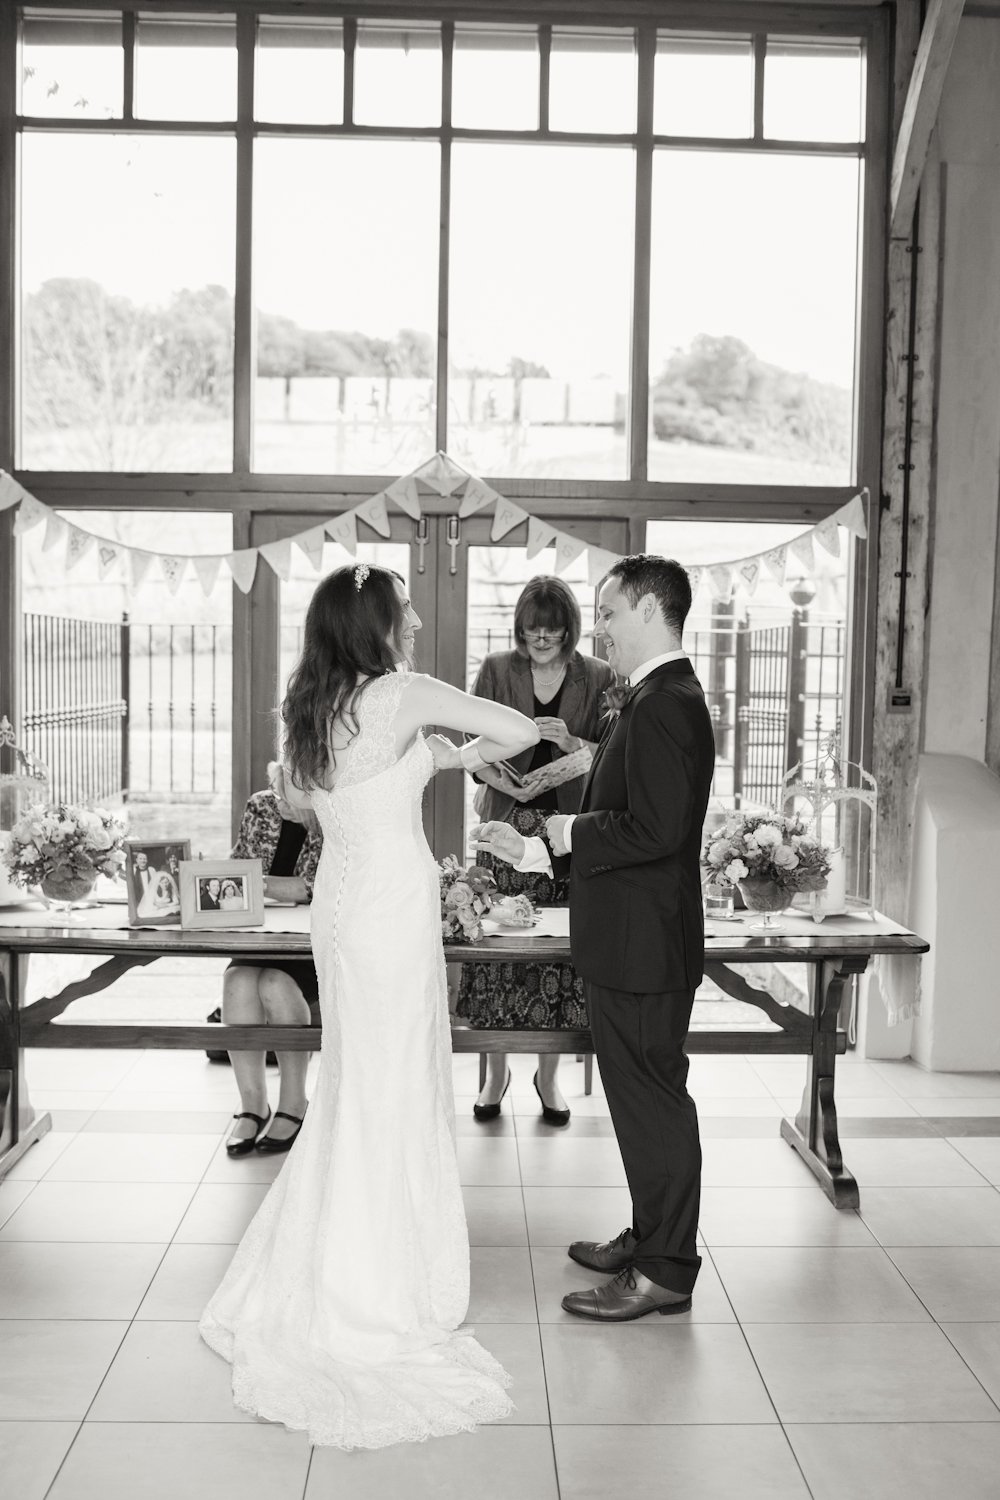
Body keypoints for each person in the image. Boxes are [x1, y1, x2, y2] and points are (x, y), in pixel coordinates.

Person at [200, 561, 539, 1448]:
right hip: (389, 904)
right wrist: (449, 750)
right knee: (394, 1080)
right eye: (405, 611)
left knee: (360, 1077)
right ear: (375, 624)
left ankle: (341, 1250)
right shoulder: (404, 693)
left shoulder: (312, 707)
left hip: (340, 907)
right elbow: (514, 730)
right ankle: (382, 1275)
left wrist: (431, 757)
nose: (416, 621)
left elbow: (313, 808)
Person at [472, 555, 715, 1322]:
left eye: (609, 612)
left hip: (645, 944)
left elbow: (656, 829)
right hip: (629, 936)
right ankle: (650, 1236)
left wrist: (568, 829)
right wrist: (536, 848)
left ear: (649, 610)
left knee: (652, 1104)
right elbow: (634, 819)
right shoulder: (649, 695)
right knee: (639, 1101)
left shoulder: (666, 702)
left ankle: (665, 1271)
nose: (599, 628)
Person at [456, 575, 614, 1124]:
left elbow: (614, 751)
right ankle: (494, 1073)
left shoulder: (599, 675)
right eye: (531, 632)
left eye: (552, 632)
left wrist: (572, 742)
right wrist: (510, 781)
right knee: (496, 941)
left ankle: (549, 1077)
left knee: (563, 950)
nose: (541, 641)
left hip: (568, 828)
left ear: (570, 630)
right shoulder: (496, 670)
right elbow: (470, 746)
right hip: (503, 820)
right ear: (519, 630)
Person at [218, 764, 324, 1156]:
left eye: (288, 796)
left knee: (275, 984)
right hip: (260, 930)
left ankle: (294, 1103)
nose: (278, 802)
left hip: (311, 938)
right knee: (237, 982)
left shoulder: (331, 815)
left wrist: (256, 883)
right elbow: (237, 863)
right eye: (276, 791)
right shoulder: (259, 806)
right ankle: (253, 1105)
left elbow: (317, 886)